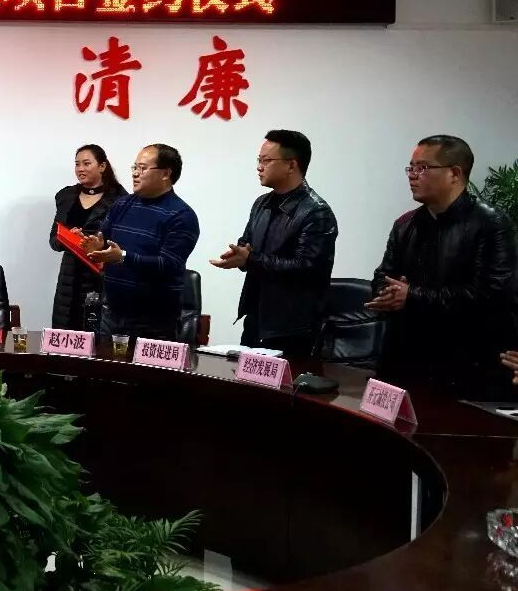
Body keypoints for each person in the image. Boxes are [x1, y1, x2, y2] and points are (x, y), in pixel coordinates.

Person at [367, 135, 517, 397]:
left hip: (467, 363)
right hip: (408, 357)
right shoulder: (405, 224)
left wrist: (412, 296)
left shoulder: (490, 223)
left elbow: (490, 294)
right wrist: (385, 293)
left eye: (423, 167)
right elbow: (384, 274)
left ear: (454, 174)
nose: (412, 176)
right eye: (411, 167)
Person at [211, 130, 337, 359]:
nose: (259, 167)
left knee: (283, 382)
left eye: (266, 161)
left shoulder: (316, 212)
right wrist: (239, 255)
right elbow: (247, 244)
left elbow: (306, 267)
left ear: (291, 165)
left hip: (293, 328)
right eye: (259, 160)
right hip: (256, 318)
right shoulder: (262, 203)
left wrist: (251, 258)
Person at [83, 144, 200, 342]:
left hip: (154, 322)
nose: (135, 173)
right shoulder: (122, 204)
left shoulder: (182, 216)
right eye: (134, 167)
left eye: (143, 168)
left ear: (166, 173)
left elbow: (169, 264)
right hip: (111, 313)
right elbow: (106, 244)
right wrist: (95, 246)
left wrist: (123, 257)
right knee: (104, 362)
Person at [50, 144, 126, 331]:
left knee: (97, 335)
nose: (80, 169)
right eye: (77, 164)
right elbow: (53, 241)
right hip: (68, 279)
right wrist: (69, 238)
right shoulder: (66, 196)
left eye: (86, 163)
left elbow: (123, 245)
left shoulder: (120, 199)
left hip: (100, 277)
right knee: (65, 335)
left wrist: (95, 245)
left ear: (102, 166)